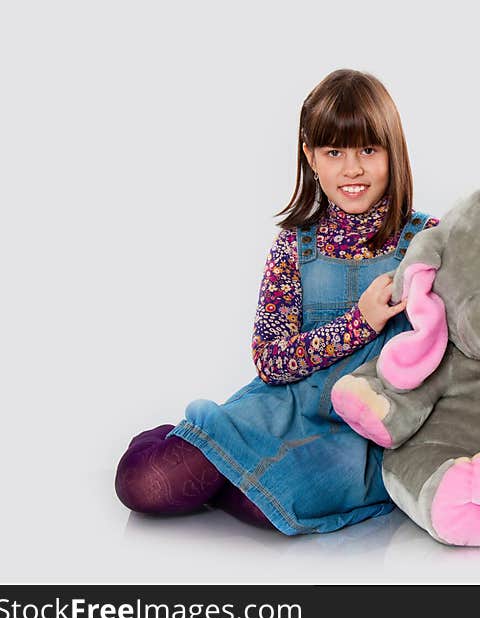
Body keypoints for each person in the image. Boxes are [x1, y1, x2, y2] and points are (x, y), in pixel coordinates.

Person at [114, 69, 439, 534]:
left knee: (267, 505)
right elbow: (270, 360)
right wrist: (359, 323)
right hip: (285, 405)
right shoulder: (295, 245)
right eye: (334, 152)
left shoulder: (427, 241)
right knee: (144, 483)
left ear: (393, 150)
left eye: (369, 149)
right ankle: (188, 439)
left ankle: (212, 457)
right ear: (310, 156)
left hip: (358, 435)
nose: (353, 169)